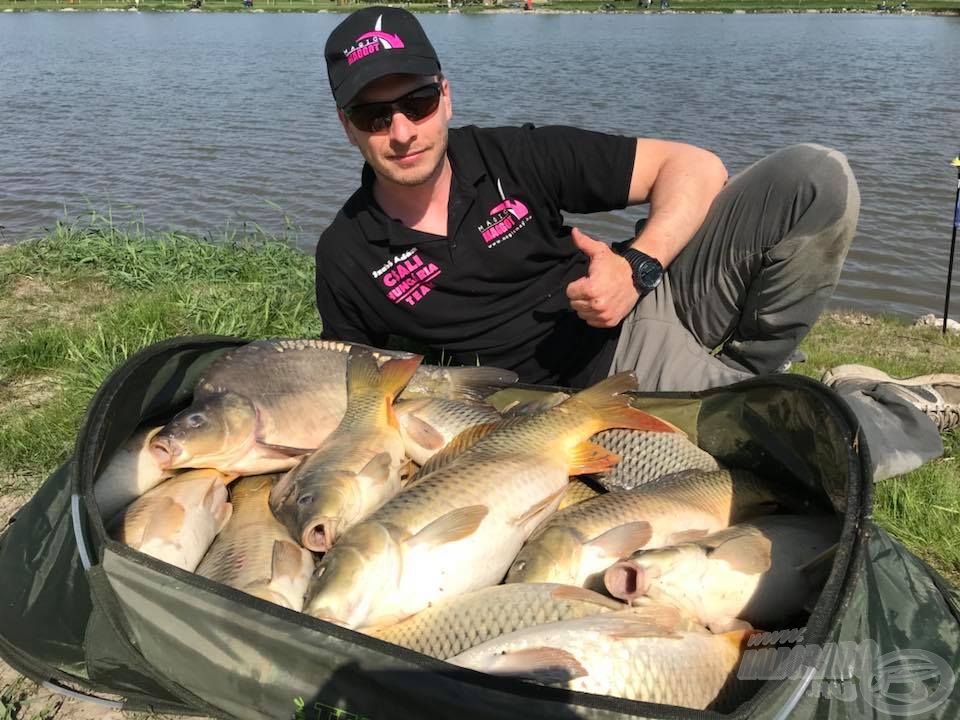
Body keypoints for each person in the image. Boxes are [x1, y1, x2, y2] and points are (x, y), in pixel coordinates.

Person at [316, 6, 957, 481]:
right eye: (376, 115)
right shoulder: (346, 255)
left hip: (646, 295)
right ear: (347, 128)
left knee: (813, 178)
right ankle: (893, 408)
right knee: (808, 458)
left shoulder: (512, 154)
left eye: (418, 102)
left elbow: (695, 166)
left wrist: (639, 264)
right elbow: (364, 396)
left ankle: (753, 377)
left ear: (446, 96)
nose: (402, 130)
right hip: (590, 388)